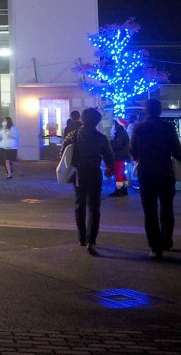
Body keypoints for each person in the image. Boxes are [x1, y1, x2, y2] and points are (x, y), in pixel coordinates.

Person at [129, 98, 181, 260]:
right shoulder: (168, 128)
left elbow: (133, 152)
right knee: (167, 209)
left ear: (146, 111)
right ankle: (167, 241)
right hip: (165, 173)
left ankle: (155, 248)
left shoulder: (138, 128)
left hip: (146, 174)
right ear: (160, 111)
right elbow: (177, 151)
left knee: (149, 212)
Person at [62, 107, 115, 256]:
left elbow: (63, 153)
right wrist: (109, 169)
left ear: (82, 119)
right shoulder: (101, 138)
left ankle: (82, 238)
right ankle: (91, 241)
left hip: (79, 174)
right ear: (97, 121)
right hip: (94, 173)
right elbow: (110, 158)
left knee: (79, 204)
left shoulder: (73, 135)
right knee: (94, 207)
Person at [108, 118, 131, 197]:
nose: (114, 125)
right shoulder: (122, 133)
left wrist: (110, 142)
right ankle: (124, 189)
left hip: (119, 156)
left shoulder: (120, 133)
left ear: (118, 125)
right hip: (122, 156)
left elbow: (117, 144)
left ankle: (118, 190)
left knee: (118, 173)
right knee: (122, 173)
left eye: (115, 123)